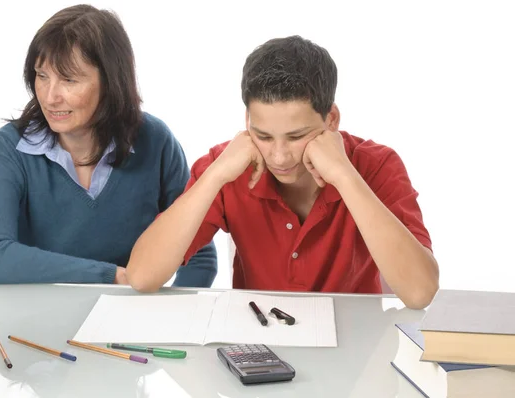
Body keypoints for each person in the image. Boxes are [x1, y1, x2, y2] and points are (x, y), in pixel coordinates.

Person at [127, 35, 439, 309]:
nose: (278, 156)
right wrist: (216, 176)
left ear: (331, 119)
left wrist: (345, 176)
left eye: (295, 137)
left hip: (357, 348)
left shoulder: (377, 165)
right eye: (263, 136)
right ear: (248, 119)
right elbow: (142, 276)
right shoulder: (226, 164)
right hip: (259, 343)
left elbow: (419, 293)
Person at [0, 4, 217, 286]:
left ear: (111, 82)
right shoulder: (7, 149)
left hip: (126, 320)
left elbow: (198, 255)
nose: (50, 97)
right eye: (42, 76)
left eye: (68, 79)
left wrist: (167, 320)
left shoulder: (155, 140)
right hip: (35, 322)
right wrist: (110, 276)